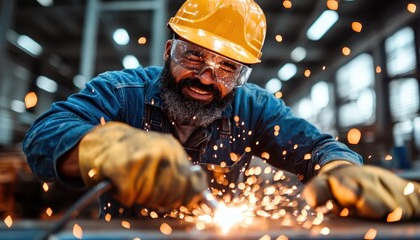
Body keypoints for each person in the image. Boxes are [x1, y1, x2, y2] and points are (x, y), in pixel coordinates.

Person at [23, 0, 419, 221]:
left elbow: (317, 147)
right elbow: (43, 137)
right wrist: (104, 147)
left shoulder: (254, 108)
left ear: (243, 73)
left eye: (227, 67)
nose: (207, 78)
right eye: (193, 55)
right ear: (168, 50)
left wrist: (340, 169)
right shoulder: (120, 92)